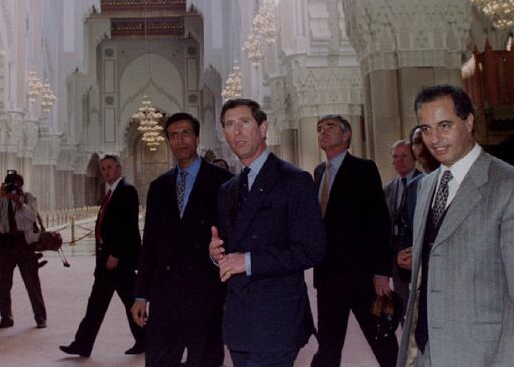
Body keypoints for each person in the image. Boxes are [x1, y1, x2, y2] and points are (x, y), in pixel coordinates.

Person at [397, 84, 514, 366]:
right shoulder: (426, 186)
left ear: (469, 122)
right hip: (426, 352)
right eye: (426, 129)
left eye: (444, 125)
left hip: (485, 356)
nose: (435, 139)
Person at [210, 98, 325, 366]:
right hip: (239, 321)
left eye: (244, 122)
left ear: (263, 128)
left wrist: (247, 261)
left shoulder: (294, 180)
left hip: (276, 321)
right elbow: (230, 249)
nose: (236, 131)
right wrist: (216, 254)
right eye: (229, 125)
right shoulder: (227, 189)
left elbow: (312, 250)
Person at [132, 113, 232, 366]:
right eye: (174, 136)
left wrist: (230, 296)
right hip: (166, 295)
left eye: (186, 133)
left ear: (197, 138)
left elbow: (233, 239)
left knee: (204, 360)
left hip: (206, 294)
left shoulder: (223, 182)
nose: (180, 141)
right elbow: (150, 244)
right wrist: (141, 295)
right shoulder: (159, 186)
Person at [311, 115, 397, 367]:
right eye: (319, 129)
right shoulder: (319, 172)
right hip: (327, 277)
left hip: (360, 276)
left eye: (330, 127)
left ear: (347, 136)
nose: (323, 132)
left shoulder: (363, 169)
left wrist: (382, 272)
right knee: (328, 343)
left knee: (381, 340)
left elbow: (379, 222)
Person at [61, 155, 144, 358]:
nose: (106, 172)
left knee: (127, 302)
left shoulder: (127, 191)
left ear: (119, 168)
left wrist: (115, 253)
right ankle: (83, 344)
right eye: (103, 169)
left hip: (118, 260)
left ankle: (145, 339)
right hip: (109, 260)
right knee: (100, 303)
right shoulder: (112, 193)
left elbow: (127, 227)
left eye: (110, 167)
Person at [0, 171, 47, 329]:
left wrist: (19, 202)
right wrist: (0, 197)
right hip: (5, 243)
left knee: (31, 282)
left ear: (21, 184)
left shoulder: (28, 198)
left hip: (23, 244)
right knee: (3, 283)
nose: (13, 187)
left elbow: (32, 217)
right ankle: (6, 317)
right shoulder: (2, 200)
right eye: (9, 184)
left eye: (15, 184)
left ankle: (40, 317)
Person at [396, 126, 440, 274]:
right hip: (421, 273)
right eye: (416, 142)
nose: (421, 147)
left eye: (424, 141)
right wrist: (403, 253)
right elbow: (409, 229)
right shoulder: (413, 186)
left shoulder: (452, 179)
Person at [383, 140, 421, 310]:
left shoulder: (425, 182)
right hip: (396, 252)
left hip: (417, 250)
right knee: (402, 300)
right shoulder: (389, 189)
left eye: (404, 156)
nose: (399, 160)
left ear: (414, 157)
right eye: (395, 157)